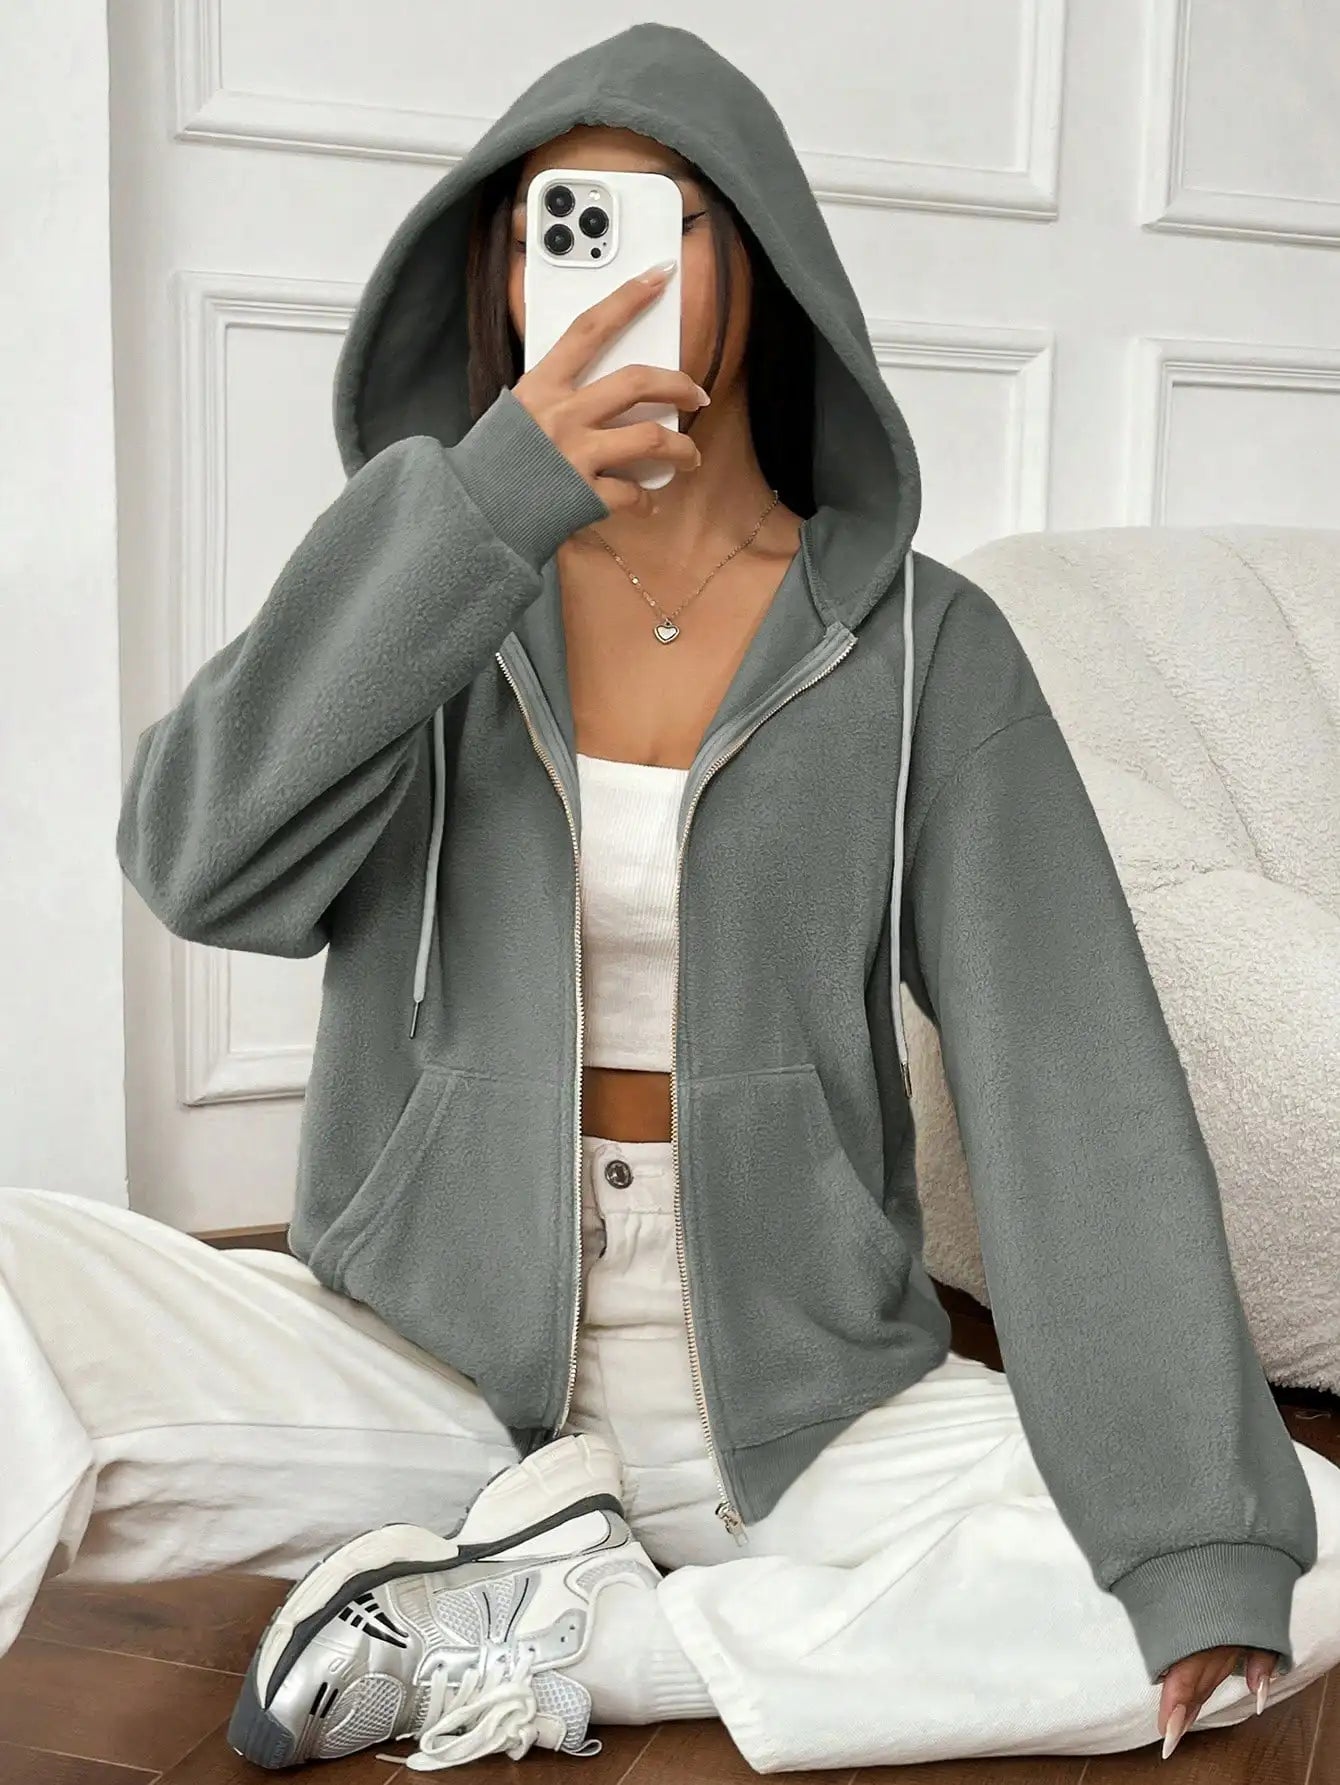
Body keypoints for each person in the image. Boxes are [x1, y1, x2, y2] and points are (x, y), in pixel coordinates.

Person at [6, 18, 1337, 1775]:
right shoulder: (432, 589)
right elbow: (198, 859)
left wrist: (1186, 1518)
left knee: (1286, 1554)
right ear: (494, 269)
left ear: (755, 264)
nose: (595, 265)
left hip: (793, 1393)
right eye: (550, 225)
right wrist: (481, 506)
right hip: (429, 1368)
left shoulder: (922, 649)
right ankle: (546, 1574)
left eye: (655, 221)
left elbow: (1068, 1071)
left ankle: (567, 1637)